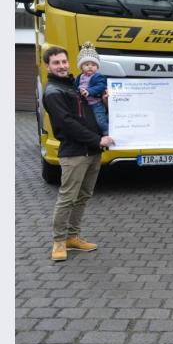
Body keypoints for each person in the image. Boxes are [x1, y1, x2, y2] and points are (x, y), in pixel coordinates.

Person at [42, 46, 114, 262]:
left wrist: (106, 101)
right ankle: (58, 241)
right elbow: (68, 123)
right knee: (67, 198)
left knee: (83, 196)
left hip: (92, 152)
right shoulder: (53, 91)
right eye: (56, 63)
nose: (62, 66)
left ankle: (72, 237)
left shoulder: (73, 86)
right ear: (48, 66)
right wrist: (97, 139)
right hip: (74, 154)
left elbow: (91, 113)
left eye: (64, 62)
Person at [74, 42, 109, 135]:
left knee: (100, 121)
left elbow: (101, 86)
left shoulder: (98, 76)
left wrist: (89, 91)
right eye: (87, 64)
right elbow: (76, 87)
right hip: (85, 104)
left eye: (93, 65)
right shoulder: (80, 77)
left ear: (97, 67)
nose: (90, 67)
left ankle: (107, 132)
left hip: (96, 104)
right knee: (88, 122)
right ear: (81, 66)